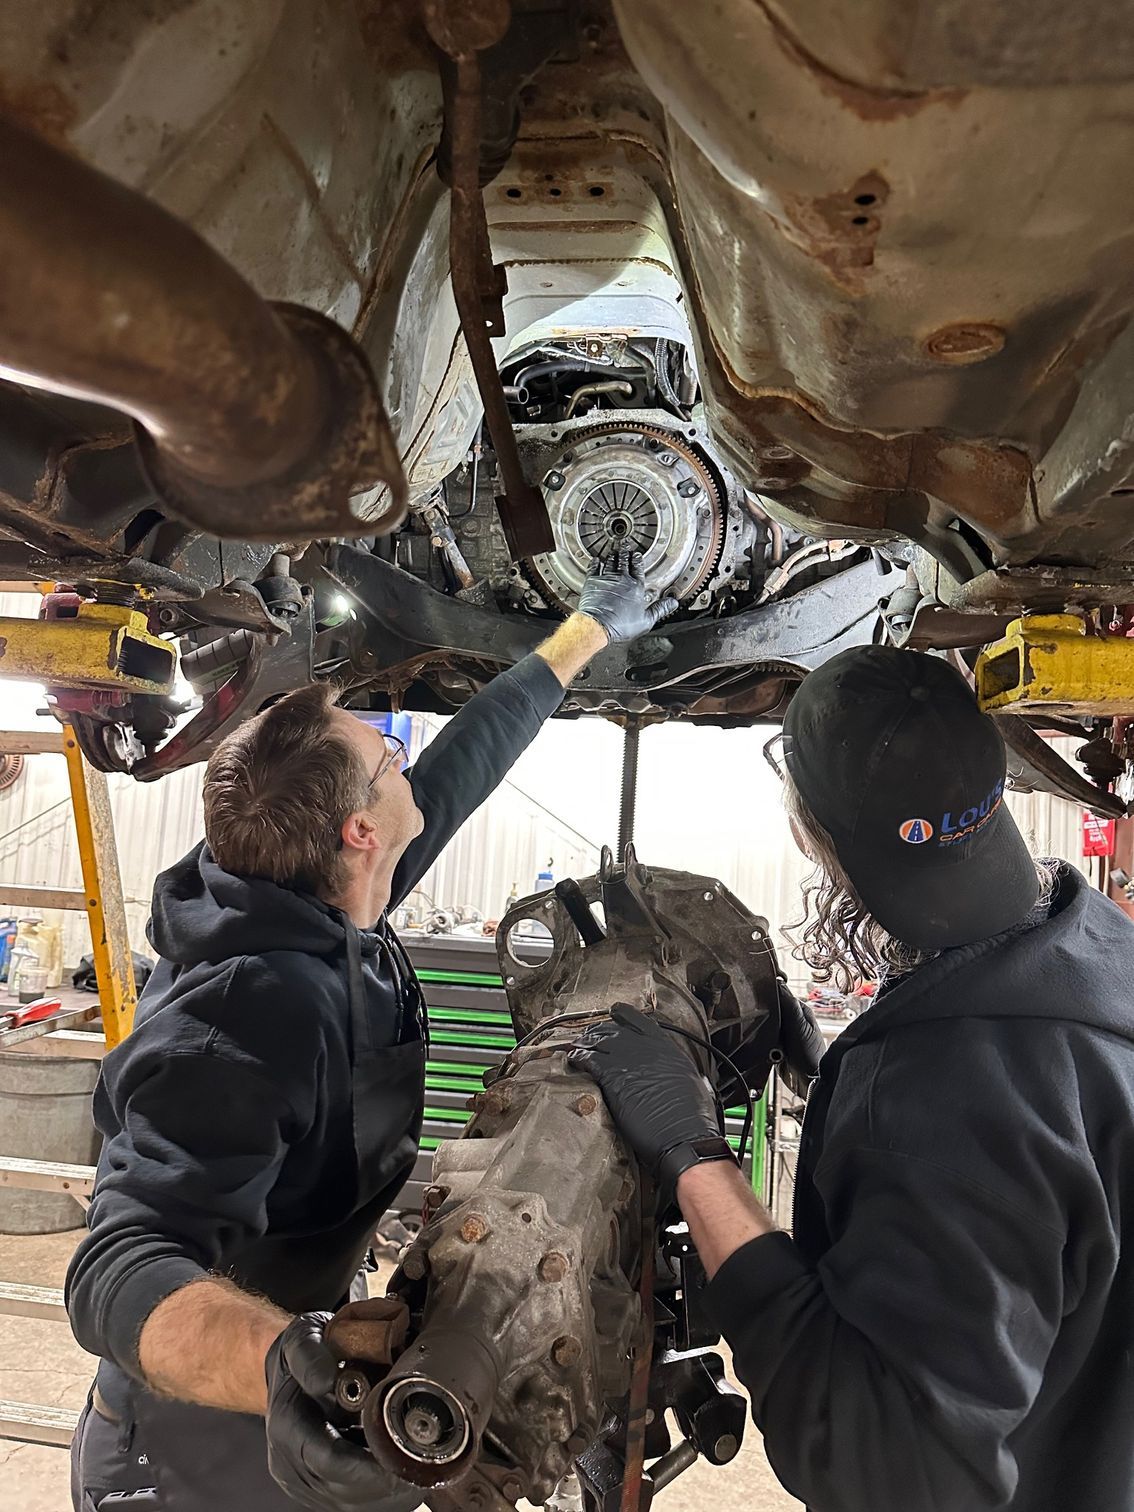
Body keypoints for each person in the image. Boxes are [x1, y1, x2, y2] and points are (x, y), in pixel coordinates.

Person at [67, 549, 678, 1512]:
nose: (406, 762)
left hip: (293, 1386)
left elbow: (463, 761)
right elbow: (116, 1270)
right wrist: (278, 1364)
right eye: (389, 758)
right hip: (196, 1449)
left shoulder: (316, 890)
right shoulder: (241, 1019)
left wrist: (585, 633)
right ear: (359, 831)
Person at [571, 645, 1134, 1512]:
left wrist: (697, 1162)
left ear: (809, 830)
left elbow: (883, 1461)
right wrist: (831, 1069)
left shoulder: (940, 1092)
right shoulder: (1102, 948)